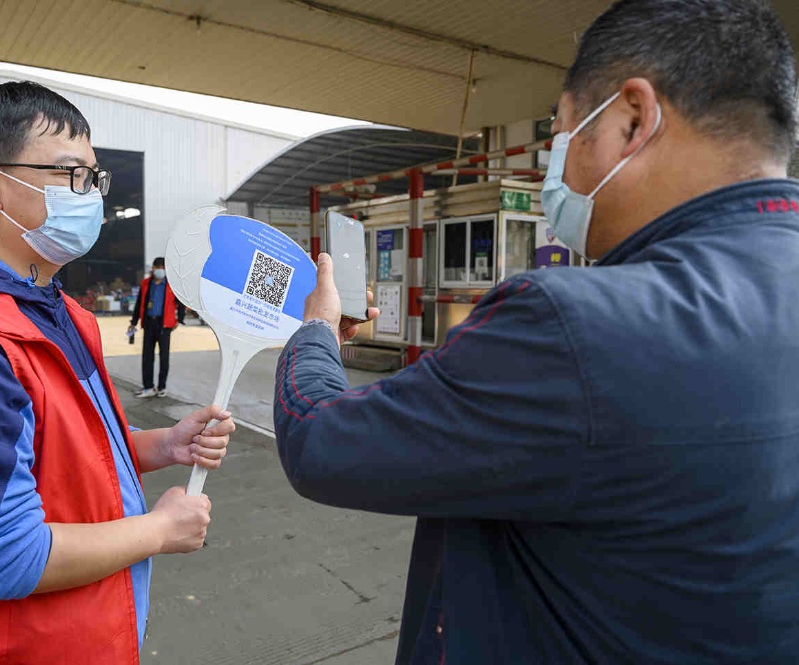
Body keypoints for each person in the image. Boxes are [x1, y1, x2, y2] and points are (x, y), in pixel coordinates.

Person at [274, 1, 799, 662]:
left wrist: (317, 329)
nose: (559, 171)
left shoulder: (573, 327)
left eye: (564, 137)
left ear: (633, 119)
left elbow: (321, 442)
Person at [0, 81, 235, 664]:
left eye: (94, 178)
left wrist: (162, 445)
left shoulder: (58, 311)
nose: (89, 196)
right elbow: (8, 557)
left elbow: (68, 452)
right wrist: (158, 530)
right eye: (71, 174)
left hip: (92, 635)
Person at [130, 257, 185, 398]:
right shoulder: (146, 283)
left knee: (164, 357)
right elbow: (139, 303)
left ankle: (161, 387)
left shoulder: (172, 285)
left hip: (164, 325)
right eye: (158, 267)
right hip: (149, 323)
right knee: (147, 357)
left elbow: (181, 302)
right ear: (153, 268)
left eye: (163, 268)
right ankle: (148, 387)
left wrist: (179, 319)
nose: (160, 270)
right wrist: (134, 322)